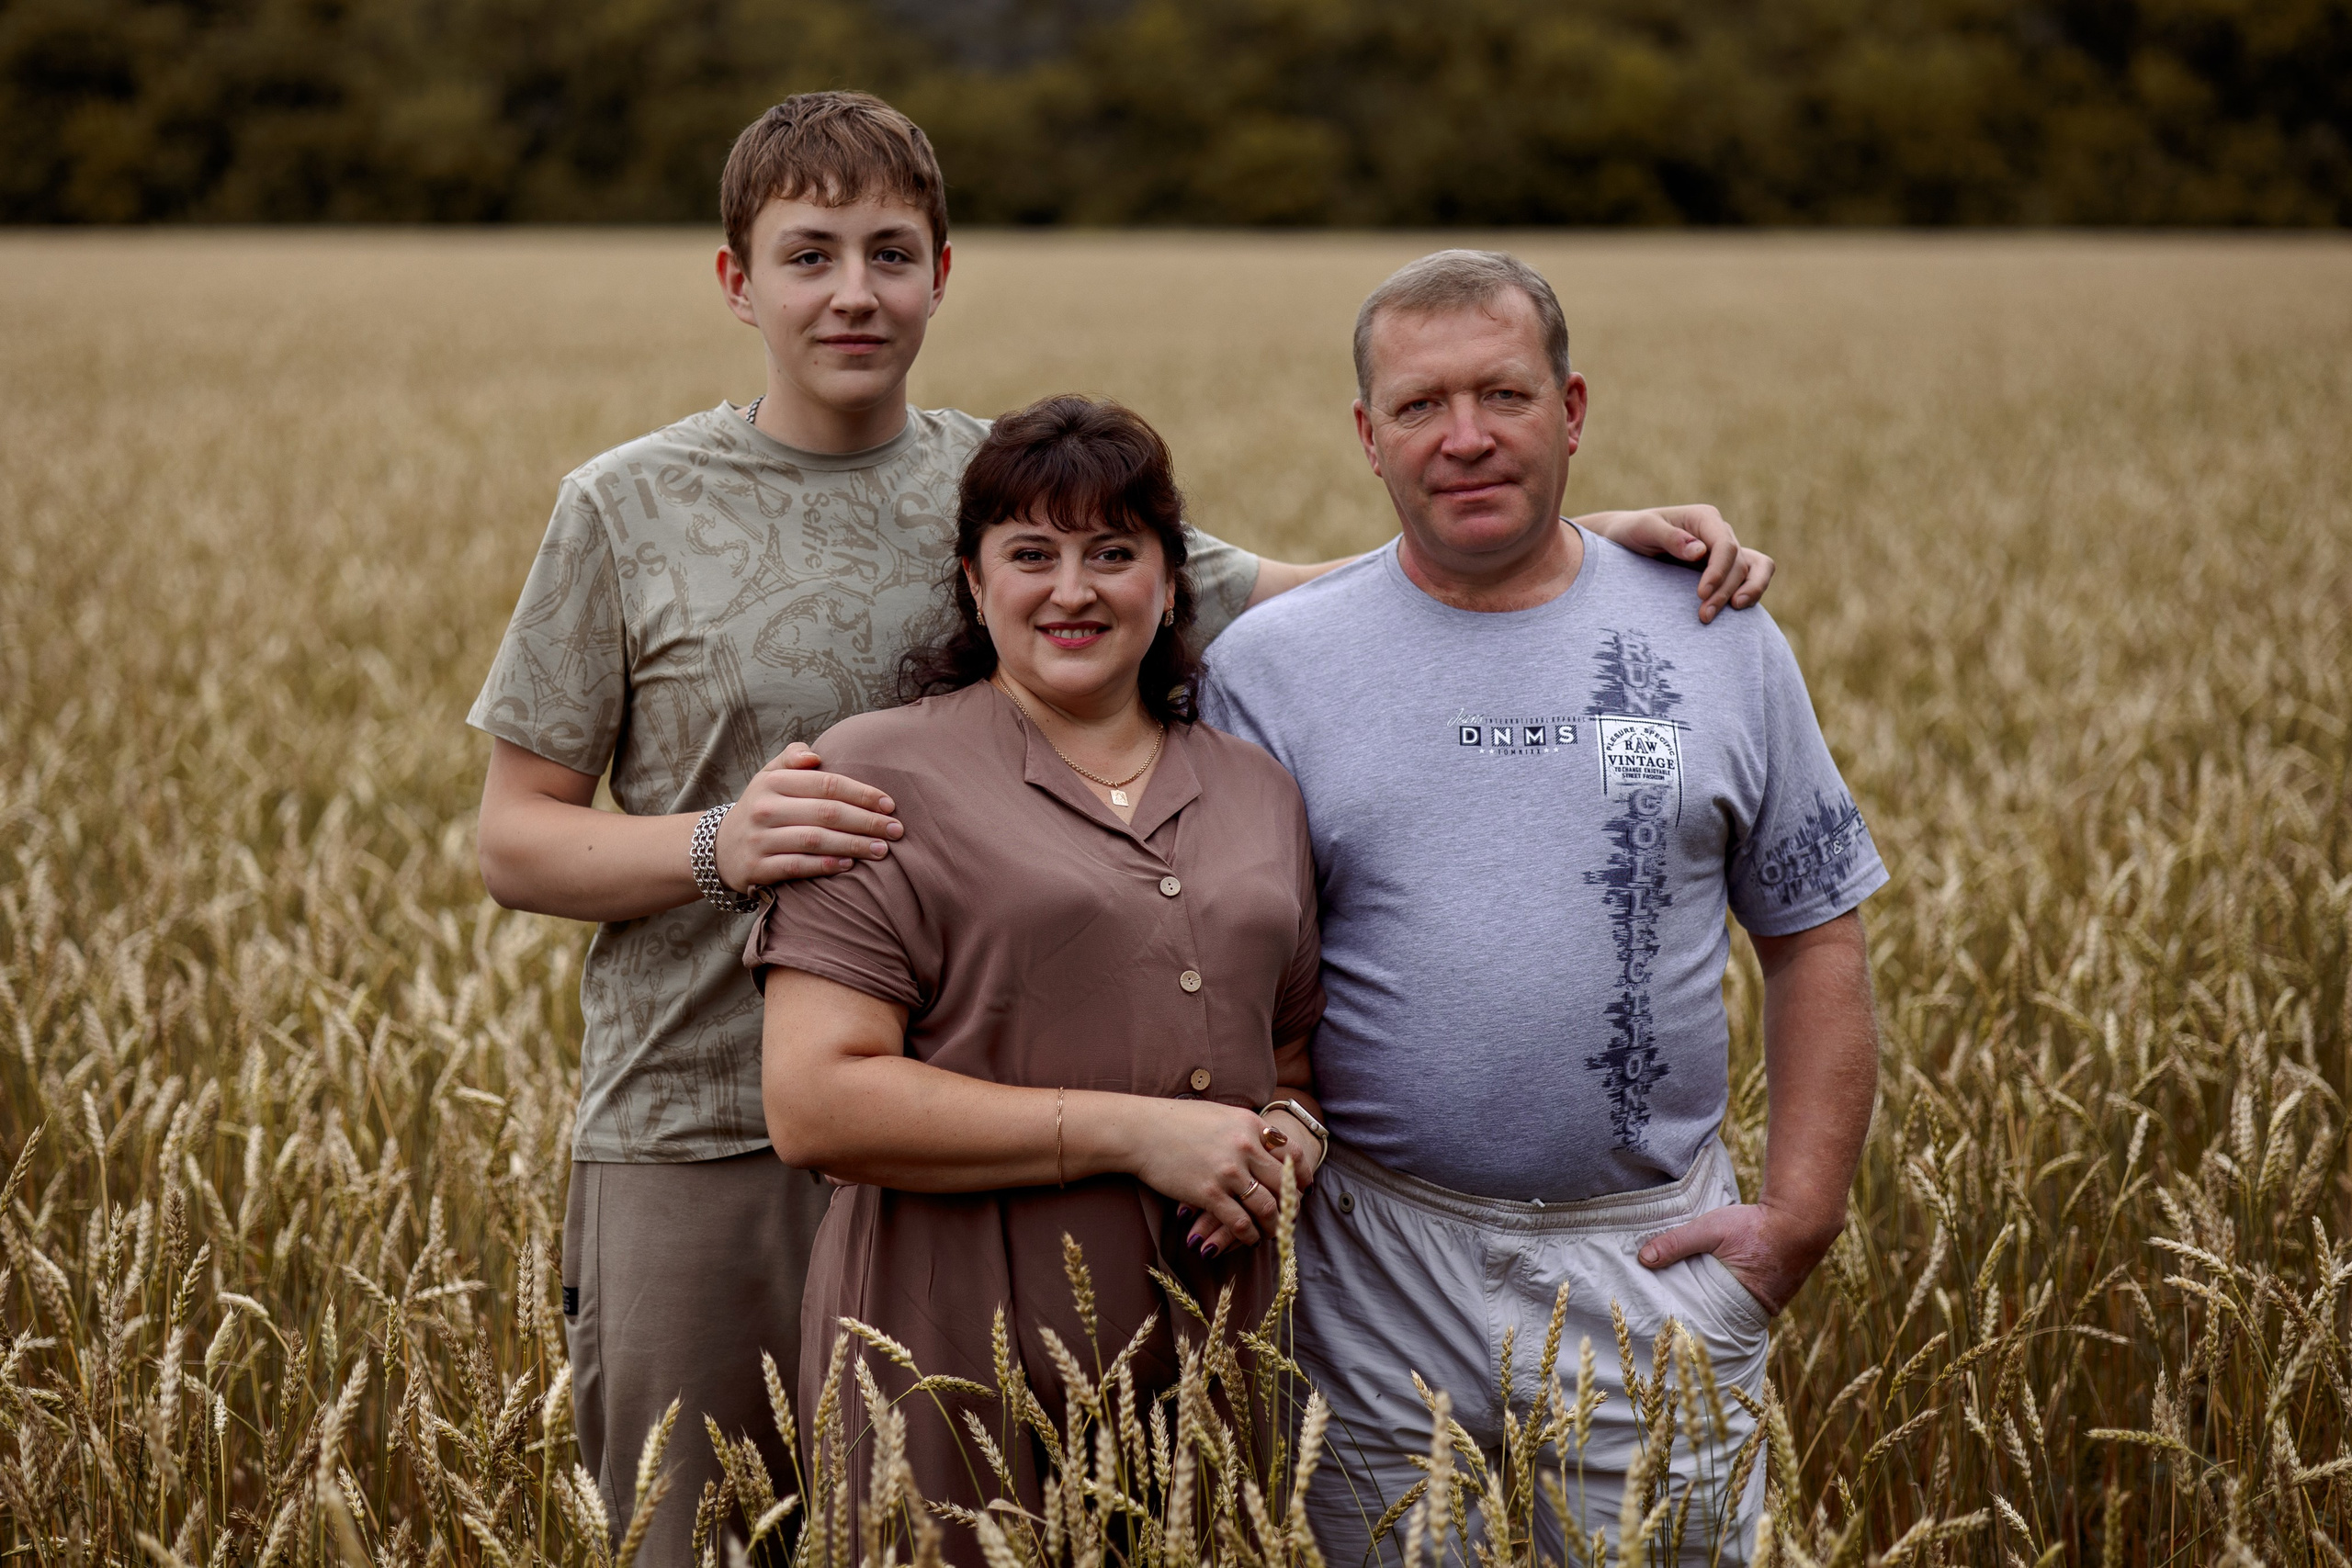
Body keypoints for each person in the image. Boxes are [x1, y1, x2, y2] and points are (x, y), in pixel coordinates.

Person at [469, 92, 1771, 1562]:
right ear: (736, 280)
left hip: (992, 1160)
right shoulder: (624, 505)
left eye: (891, 254)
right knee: (702, 1537)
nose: (853, 292)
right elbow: (516, 839)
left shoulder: (1013, 488)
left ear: (942, 275)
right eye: (809, 254)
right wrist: (722, 843)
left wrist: (1594, 552)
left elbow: (1333, 586)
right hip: (705, 1128)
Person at [1196, 251, 1886, 1566]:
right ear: (1366, 437)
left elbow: (1814, 930)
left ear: (1571, 412)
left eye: (1503, 396)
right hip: (1370, 1269)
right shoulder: (1269, 668)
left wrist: (1799, 1215)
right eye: (1418, 406)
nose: (1463, 437)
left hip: (1650, 1262)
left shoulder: (1714, 631)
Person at [744, 395, 1324, 1539]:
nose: (1074, 590)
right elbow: (815, 1105)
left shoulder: (1260, 786)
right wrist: (1138, 1132)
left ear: (1170, 583)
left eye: (1114, 553)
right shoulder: (877, 770)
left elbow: (1295, 1057)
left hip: (1211, 1338)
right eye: (1031, 555)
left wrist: (1292, 1134)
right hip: (946, 1337)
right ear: (972, 580)